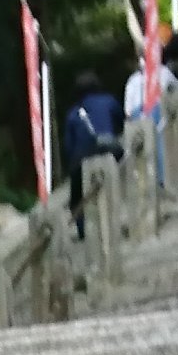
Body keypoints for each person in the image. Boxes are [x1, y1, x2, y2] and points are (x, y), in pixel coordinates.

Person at [60, 79, 120, 237]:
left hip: (81, 158)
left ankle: (82, 230)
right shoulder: (109, 101)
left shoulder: (73, 114)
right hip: (109, 153)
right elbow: (120, 122)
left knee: (77, 197)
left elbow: (68, 145)